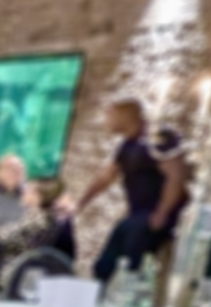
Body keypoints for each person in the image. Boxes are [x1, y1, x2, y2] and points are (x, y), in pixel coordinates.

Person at [71, 98, 191, 283]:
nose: (106, 121)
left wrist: (162, 212)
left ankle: (131, 293)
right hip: (136, 214)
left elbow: (175, 176)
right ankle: (96, 293)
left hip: (155, 216)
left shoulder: (159, 138)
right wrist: (82, 202)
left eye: (110, 115)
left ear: (125, 116)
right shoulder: (127, 144)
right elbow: (106, 177)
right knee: (104, 264)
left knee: (133, 262)